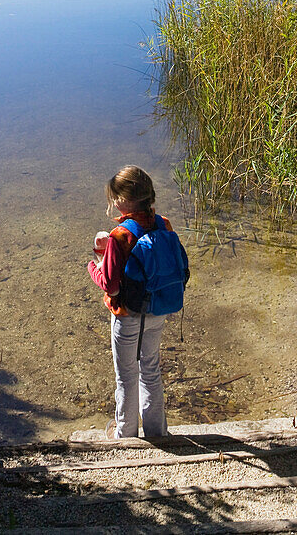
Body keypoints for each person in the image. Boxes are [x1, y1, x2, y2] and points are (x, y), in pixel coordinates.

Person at [88, 165, 188, 439]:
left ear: (124, 200)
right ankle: (157, 432)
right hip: (158, 309)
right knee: (150, 369)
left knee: (126, 375)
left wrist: (94, 264)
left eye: (115, 198)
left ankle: (125, 434)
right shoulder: (163, 224)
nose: (114, 203)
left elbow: (110, 283)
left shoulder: (120, 236)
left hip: (127, 314)